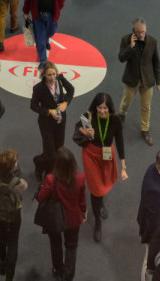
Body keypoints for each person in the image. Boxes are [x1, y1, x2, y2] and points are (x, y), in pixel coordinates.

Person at [72, 92, 127, 243]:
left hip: (107, 155)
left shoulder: (115, 120)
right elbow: (76, 131)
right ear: (95, 107)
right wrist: (84, 131)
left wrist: (123, 166)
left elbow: (120, 142)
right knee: (96, 188)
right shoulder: (88, 116)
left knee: (104, 183)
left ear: (110, 108)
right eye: (99, 108)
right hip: (91, 155)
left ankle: (100, 202)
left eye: (105, 108)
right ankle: (97, 222)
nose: (102, 111)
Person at [35, 147, 87, 281]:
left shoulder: (51, 180)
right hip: (73, 219)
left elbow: (41, 198)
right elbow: (82, 200)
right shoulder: (80, 178)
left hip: (55, 219)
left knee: (55, 243)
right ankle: (68, 276)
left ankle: (58, 269)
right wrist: (83, 212)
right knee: (71, 246)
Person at [118, 17, 160, 147]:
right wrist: (130, 47)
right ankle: (122, 115)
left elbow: (156, 61)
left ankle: (145, 130)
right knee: (126, 101)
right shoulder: (126, 39)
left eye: (143, 32)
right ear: (134, 31)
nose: (141, 34)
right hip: (132, 79)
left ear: (146, 29)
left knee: (146, 106)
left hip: (147, 80)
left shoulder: (153, 41)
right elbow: (121, 58)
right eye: (138, 32)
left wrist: (159, 80)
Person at [0, 149, 27, 281]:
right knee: (13, 243)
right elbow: (21, 195)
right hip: (13, 216)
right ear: (13, 167)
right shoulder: (20, 183)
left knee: (0, 236)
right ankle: (9, 276)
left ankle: (2, 262)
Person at [31, 61, 75, 177]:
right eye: (49, 75)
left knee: (58, 150)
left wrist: (66, 102)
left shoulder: (60, 79)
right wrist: (49, 111)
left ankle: (42, 166)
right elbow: (33, 106)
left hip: (60, 121)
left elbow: (71, 90)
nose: (52, 77)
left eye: (54, 74)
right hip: (46, 123)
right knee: (51, 154)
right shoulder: (38, 88)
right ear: (43, 74)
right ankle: (45, 171)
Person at [23, 0, 67, 65]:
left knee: (51, 32)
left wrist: (59, 7)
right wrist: (26, 12)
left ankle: (47, 38)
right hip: (38, 16)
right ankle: (43, 60)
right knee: (39, 39)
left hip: (52, 15)